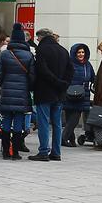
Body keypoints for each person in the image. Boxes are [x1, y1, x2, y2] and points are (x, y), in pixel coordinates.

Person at [31, 27, 71, 161]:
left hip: (44, 91)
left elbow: (42, 70)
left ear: (41, 37)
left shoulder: (42, 50)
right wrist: (63, 83)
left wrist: (55, 81)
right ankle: (56, 152)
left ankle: (43, 151)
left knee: (43, 122)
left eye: (38, 37)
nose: (37, 40)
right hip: (59, 93)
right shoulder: (63, 51)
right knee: (57, 123)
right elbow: (71, 70)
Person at [0, 22, 35, 159]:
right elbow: (32, 76)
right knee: (19, 121)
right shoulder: (28, 55)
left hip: (7, 92)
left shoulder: (5, 54)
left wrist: (2, 85)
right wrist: (28, 88)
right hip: (22, 93)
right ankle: (16, 152)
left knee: (6, 121)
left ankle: (6, 151)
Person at [62, 42, 95, 148]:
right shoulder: (69, 64)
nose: (81, 54)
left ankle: (67, 139)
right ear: (74, 53)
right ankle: (66, 139)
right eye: (79, 52)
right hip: (69, 94)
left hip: (82, 95)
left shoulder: (87, 65)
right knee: (69, 119)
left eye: (83, 52)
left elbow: (93, 77)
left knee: (75, 118)